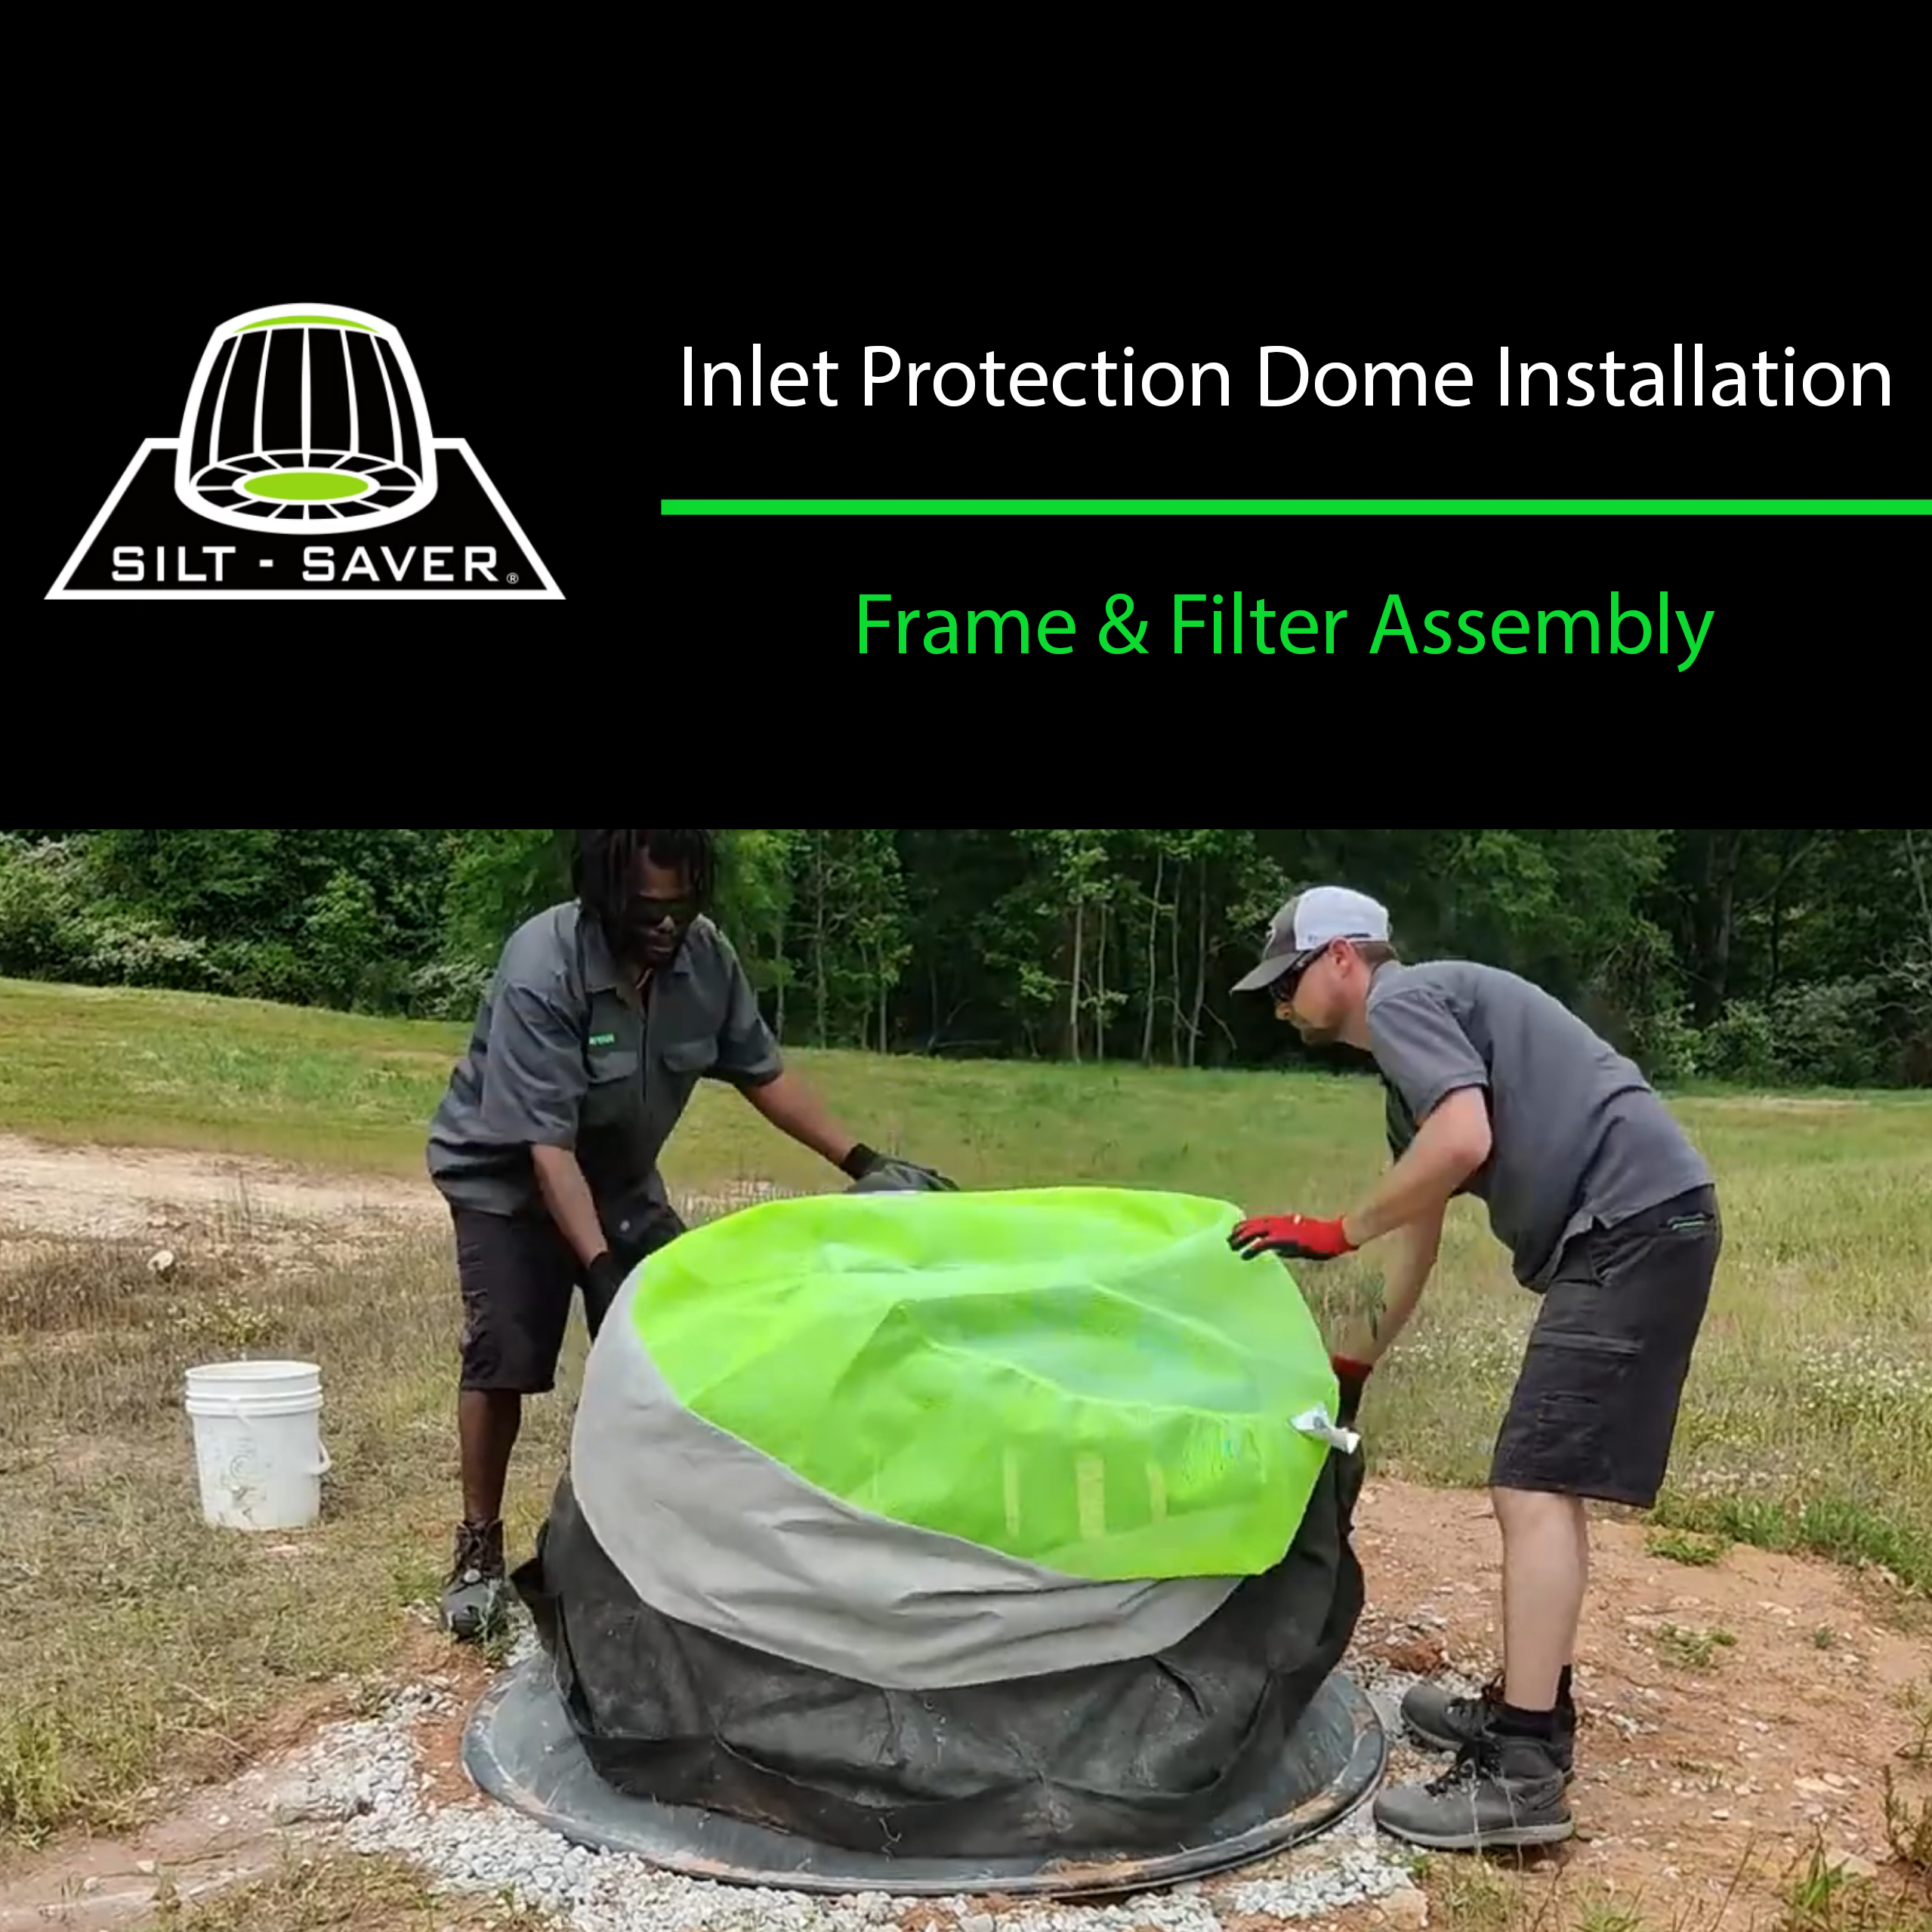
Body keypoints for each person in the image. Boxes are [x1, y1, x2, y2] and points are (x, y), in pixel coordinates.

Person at [1226, 884, 1721, 1851]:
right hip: (1637, 1224)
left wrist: (1331, 1229)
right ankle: (1530, 1713)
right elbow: (1417, 1228)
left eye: (1287, 980)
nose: (1280, 1004)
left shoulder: (1406, 1000)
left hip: (1629, 1226)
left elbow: (1463, 1140)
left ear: (1342, 958)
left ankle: (1522, 1773)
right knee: (1543, 1483)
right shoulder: (1408, 1070)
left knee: (1530, 1484)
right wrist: (1353, 1361)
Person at [425, 829, 952, 1640]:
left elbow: (763, 1072)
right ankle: (478, 1551)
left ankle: (676, 1537)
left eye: (683, 904)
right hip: (508, 1182)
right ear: (604, 895)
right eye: (648, 909)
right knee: (504, 1357)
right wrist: (600, 1267)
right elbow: (547, 1149)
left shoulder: (703, 958)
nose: (668, 924)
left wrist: (864, 1160)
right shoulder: (544, 965)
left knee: (687, 1342)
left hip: (621, 1180)